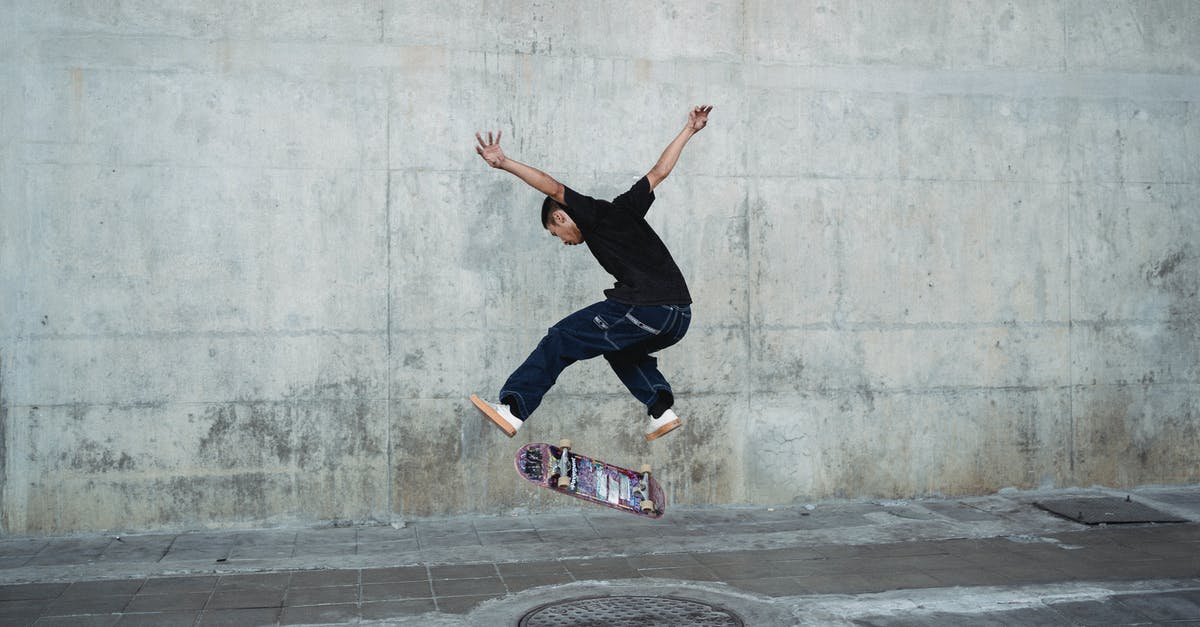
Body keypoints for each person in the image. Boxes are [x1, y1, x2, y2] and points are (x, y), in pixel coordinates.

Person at [470, 105, 713, 441]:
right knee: (618, 347)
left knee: (562, 337)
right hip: (678, 317)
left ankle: (513, 409)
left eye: (558, 235)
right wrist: (690, 129)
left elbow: (553, 188)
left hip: (645, 306)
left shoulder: (591, 213)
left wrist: (505, 163)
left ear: (560, 218)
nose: (565, 242)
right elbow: (659, 172)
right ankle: (661, 410)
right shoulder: (625, 208)